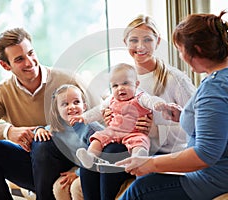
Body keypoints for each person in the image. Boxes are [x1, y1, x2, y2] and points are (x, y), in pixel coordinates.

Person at [116, 11, 228, 200]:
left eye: (180, 50)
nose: (180, 56)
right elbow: (223, 121)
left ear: (198, 50)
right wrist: (184, 115)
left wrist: (150, 163)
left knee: (139, 190)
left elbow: (204, 155)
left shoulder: (216, 87)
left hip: (220, 176)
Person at [78, 15, 196, 200]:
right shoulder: (122, 78)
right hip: (125, 144)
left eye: (147, 39)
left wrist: (155, 130)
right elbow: (109, 110)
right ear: (125, 42)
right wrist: (109, 117)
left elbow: (197, 127)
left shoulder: (175, 80)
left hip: (161, 153)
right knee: (90, 164)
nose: (140, 46)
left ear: (157, 41)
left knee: (112, 153)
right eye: (134, 40)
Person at [0, 28, 86, 200]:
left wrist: (82, 168)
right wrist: (8, 132)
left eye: (31, 53)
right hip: (34, 165)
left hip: (71, 159)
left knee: (43, 141)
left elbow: (101, 116)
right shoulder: (4, 92)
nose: (29, 62)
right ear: (5, 65)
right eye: (19, 59)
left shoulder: (68, 80)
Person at [73, 63, 167, 169]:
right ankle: (90, 157)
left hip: (134, 132)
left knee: (140, 141)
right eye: (115, 85)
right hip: (113, 131)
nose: (120, 88)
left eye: (125, 83)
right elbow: (98, 110)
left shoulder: (140, 98)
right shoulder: (111, 99)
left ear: (136, 85)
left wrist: (158, 104)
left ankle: (138, 157)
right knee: (98, 138)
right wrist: (84, 117)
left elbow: (151, 100)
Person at [34, 84, 104, 200]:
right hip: (78, 165)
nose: (71, 107)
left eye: (76, 102)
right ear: (57, 110)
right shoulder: (57, 128)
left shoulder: (90, 127)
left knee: (76, 187)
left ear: (84, 106)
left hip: (95, 167)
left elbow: (100, 156)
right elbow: (44, 129)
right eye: (65, 104)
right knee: (59, 187)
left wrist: (78, 173)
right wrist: (39, 130)